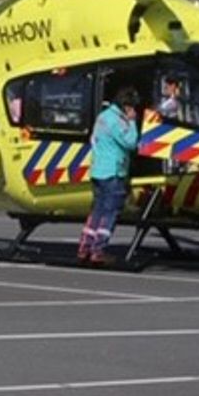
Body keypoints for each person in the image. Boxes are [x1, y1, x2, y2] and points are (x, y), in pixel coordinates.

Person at [78, 86, 141, 265]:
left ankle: (85, 247)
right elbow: (130, 143)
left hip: (98, 171)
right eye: (132, 107)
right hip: (113, 172)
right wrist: (133, 122)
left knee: (97, 211)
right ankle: (98, 250)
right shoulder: (118, 120)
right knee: (110, 212)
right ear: (127, 106)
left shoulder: (103, 117)